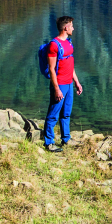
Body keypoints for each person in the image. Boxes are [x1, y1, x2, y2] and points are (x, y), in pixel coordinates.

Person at [40, 14, 82, 151]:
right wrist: (56, 88)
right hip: (60, 84)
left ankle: (66, 139)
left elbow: (70, 63)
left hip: (69, 83)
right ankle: (49, 143)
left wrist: (77, 81)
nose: (73, 29)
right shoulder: (54, 45)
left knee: (66, 113)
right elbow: (52, 69)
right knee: (53, 113)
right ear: (65, 27)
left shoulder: (69, 43)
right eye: (71, 26)